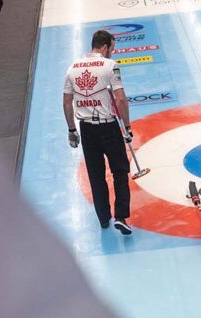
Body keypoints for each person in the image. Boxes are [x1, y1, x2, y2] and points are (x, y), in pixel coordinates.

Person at [63, 29, 134, 235]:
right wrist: (127, 126)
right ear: (104, 47)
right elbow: (120, 99)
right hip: (108, 127)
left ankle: (103, 218)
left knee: (96, 175)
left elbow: (67, 102)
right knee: (120, 170)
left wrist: (71, 129)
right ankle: (121, 216)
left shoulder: (72, 68)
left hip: (86, 129)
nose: (112, 52)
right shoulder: (110, 65)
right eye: (112, 48)